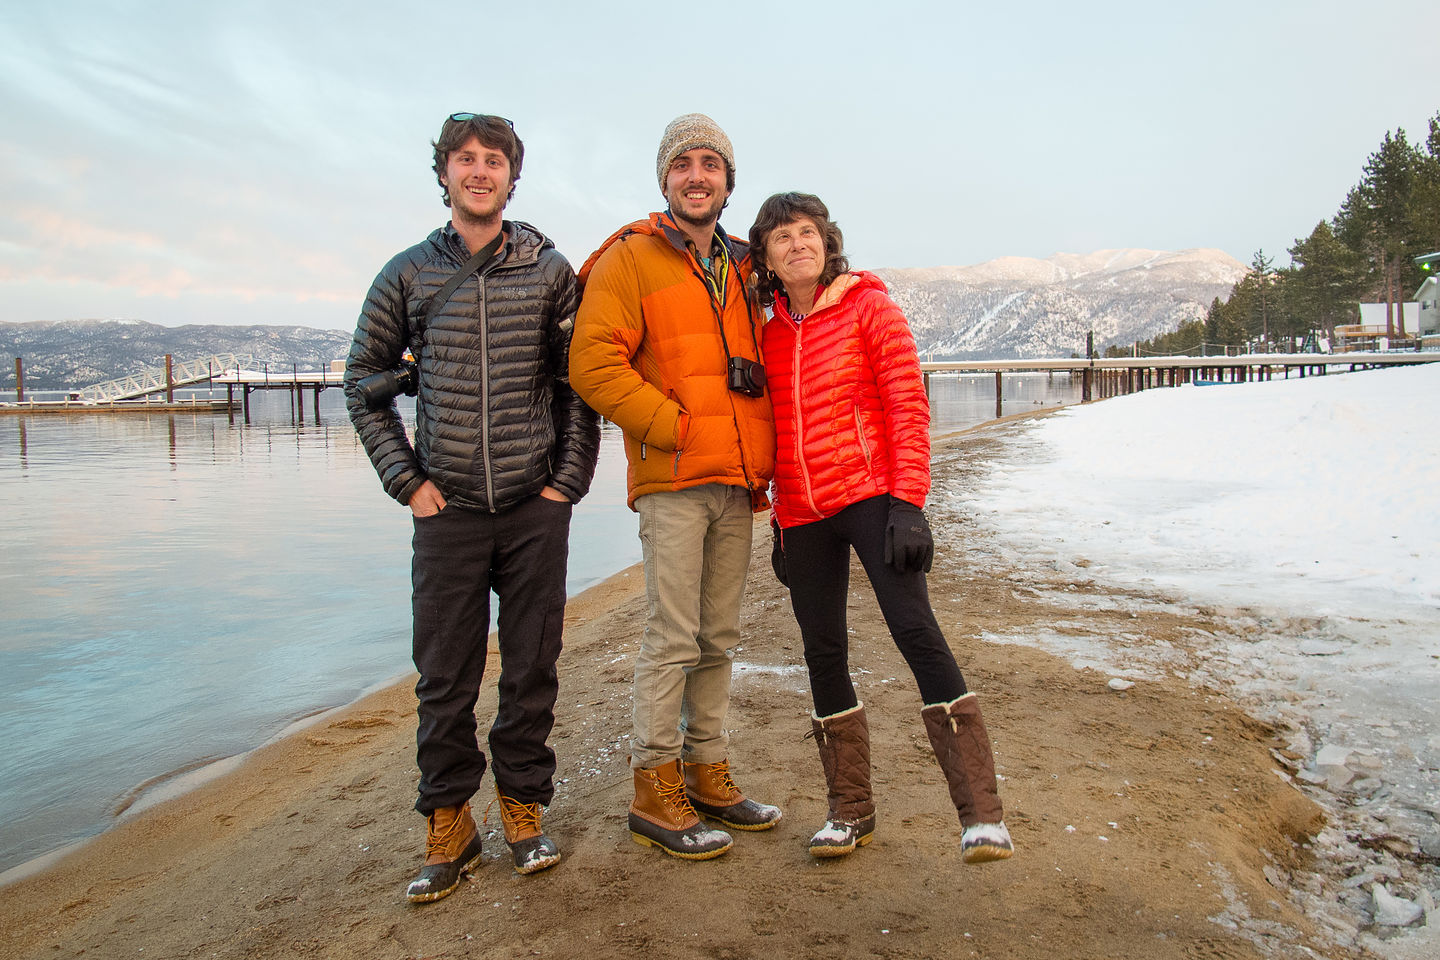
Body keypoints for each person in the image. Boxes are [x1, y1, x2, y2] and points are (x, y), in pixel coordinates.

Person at [344, 113, 600, 903]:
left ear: (512, 177)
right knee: (444, 675)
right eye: (466, 159)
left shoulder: (552, 272)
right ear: (445, 173)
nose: (480, 171)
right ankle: (449, 822)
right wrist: (408, 483)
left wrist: (565, 487)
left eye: (494, 160)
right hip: (446, 508)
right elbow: (363, 384)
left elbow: (579, 388)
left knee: (530, 668)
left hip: (532, 505)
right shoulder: (408, 274)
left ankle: (522, 806)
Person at [749, 191, 1014, 864]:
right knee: (822, 649)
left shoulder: (870, 307)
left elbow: (906, 404)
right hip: (803, 512)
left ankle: (982, 815)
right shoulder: (767, 330)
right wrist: (780, 521)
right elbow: (772, 429)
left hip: (870, 497)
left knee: (914, 629)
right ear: (768, 257)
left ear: (827, 241)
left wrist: (908, 502)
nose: (796, 244)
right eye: (781, 237)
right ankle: (850, 812)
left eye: (806, 232)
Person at [570, 114, 780, 860]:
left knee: (720, 635)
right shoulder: (632, 259)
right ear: (665, 179)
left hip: (740, 481)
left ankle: (706, 769)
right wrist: (676, 427)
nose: (698, 175)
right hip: (676, 477)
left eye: (711, 164)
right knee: (673, 636)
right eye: (684, 163)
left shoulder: (748, 267)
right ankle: (653, 786)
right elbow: (592, 366)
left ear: (728, 180)